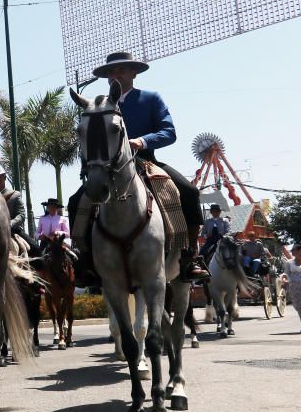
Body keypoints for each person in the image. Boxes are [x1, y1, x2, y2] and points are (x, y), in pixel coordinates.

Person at [67, 51, 210, 286]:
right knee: (76, 202)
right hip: (110, 168)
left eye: (121, 69)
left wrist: (141, 141)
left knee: (189, 192)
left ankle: (189, 257)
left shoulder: (150, 99)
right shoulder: (98, 105)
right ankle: (85, 260)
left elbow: (168, 132)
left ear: (134, 72)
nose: (116, 74)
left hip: (146, 160)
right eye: (112, 71)